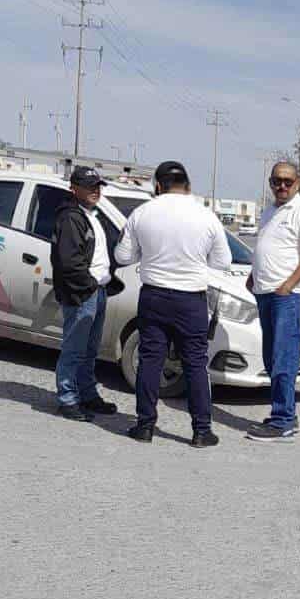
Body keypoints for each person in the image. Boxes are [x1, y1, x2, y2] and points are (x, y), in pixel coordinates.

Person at [114, 161, 231, 448]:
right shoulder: (206, 216)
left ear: (157, 186)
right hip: (191, 299)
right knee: (195, 363)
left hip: (153, 296)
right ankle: (201, 431)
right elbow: (223, 262)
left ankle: (144, 426)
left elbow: (123, 256)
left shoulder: (142, 213)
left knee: (150, 360)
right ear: (188, 187)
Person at [245, 161, 300, 443]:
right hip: (265, 293)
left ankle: (282, 421)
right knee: (271, 357)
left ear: (297, 183)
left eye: (288, 181)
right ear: (270, 182)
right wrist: (254, 276)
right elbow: (267, 247)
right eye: (277, 181)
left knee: (283, 358)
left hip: (286, 298)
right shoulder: (269, 211)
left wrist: (288, 286)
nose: (282, 186)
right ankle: (287, 412)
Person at [51, 166, 120, 422]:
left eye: (98, 186)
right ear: (74, 188)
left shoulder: (91, 215)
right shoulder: (70, 217)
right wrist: (89, 285)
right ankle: (67, 399)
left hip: (97, 291)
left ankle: (87, 394)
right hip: (82, 293)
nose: (95, 191)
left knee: (90, 350)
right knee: (74, 348)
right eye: (89, 186)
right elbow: (69, 262)